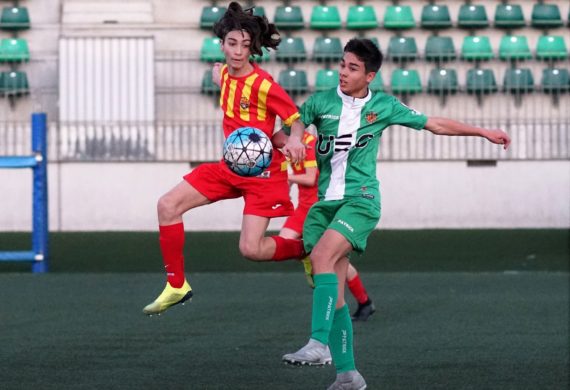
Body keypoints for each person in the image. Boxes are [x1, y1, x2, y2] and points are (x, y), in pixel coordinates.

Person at [281, 38, 511, 389]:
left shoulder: (383, 106)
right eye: (342, 64)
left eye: (352, 67)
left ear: (369, 76)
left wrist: (482, 131)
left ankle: (319, 343)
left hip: (360, 200)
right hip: (326, 204)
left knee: (323, 255)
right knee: (337, 291)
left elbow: (434, 123)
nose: (343, 72)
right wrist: (296, 137)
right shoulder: (321, 102)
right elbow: (297, 120)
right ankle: (348, 375)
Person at [142, 2, 306, 316]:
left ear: (252, 48)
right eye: (232, 43)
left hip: (263, 176)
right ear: (222, 44)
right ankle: (177, 285)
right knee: (167, 206)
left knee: (251, 249)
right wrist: (220, 79)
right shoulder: (223, 75)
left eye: (245, 45)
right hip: (229, 167)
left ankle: (305, 248)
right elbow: (226, 83)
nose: (238, 51)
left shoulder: (264, 85)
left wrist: (295, 138)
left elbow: (294, 119)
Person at [280, 130, 376, 323]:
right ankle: (311, 264)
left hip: (319, 208)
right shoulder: (291, 144)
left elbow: (309, 178)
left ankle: (364, 302)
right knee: (284, 241)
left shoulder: (310, 145)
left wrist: (289, 179)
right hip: (303, 208)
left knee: (337, 260)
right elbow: (290, 175)